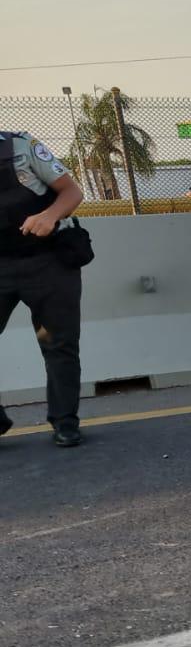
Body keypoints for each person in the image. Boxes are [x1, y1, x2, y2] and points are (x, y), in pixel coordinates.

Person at [0, 131, 87, 446]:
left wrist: (50, 215)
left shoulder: (21, 147)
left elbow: (71, 192)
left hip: (48, 261)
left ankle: (65, 422)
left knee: (59, 345)